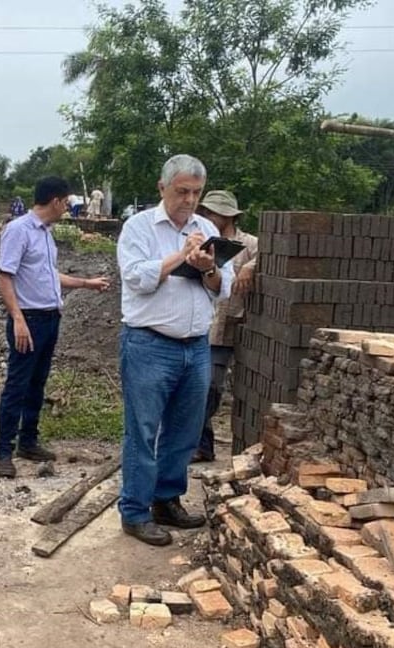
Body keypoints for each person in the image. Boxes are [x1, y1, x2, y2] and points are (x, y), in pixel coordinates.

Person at [116, 154, 235, 546]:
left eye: (196, 193)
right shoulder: (139, 228)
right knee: (143, 430)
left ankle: (166, 500)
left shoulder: (206, 230)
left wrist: (207, 268)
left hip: (195, 346)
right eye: (182, 191)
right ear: (162, 187)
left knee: (184, 432)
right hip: (149, 344)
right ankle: (134, 511)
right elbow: (136, 278)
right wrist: (181, 257)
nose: (189, 200)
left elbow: (225, 286)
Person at [0, 176, 111, 478]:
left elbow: (49, 275)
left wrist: (86, 283)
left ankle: (28, 441)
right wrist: (18, 320)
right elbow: (5, 277)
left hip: (50, 318)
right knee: (17, 385)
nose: (68, 208)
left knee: (37, 383)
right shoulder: (19, 230)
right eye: (67, 202)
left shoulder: (46, 233)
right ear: (56, 201)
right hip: (29, 320)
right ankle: (3, 451)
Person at [191, 190, 258, 463]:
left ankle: (199, 443)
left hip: (228, 327)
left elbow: (271, 257)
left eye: (212, 213)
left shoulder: (249, 243)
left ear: (229, 215)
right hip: (202, 324)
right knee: (200, 388)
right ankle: (201, 445)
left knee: (212, 388)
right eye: (205, 212)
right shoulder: (204, 241)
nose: (207, 216)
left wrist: (250, 267)